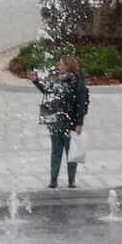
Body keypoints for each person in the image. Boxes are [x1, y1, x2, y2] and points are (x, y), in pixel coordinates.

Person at [33, 55, 89, 188]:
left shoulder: (78, 82)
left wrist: (79, 123)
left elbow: (81, 104)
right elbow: (47, 90)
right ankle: (53, 179)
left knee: (72, 152)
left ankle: (71, 179)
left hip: (70, 123)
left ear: (68, 65)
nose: (59, 65)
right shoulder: (57, 80)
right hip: (56, 121)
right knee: (55, 151)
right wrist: (36, 81)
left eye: (61, 63)